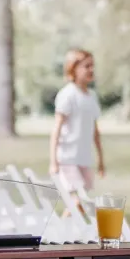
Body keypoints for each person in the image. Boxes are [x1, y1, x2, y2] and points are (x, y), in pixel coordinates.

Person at [48, 48, 104, 191]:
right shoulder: (68, 95)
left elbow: (95, 131)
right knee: (76, 198)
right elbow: (56, 130)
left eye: (92, 66)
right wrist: (53, 161)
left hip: (84, 158)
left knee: (82, 198)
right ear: (73, 69)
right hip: (67, 158)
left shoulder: (91, 96)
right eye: (86, 66)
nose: (91, 70)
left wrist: (100, 159)